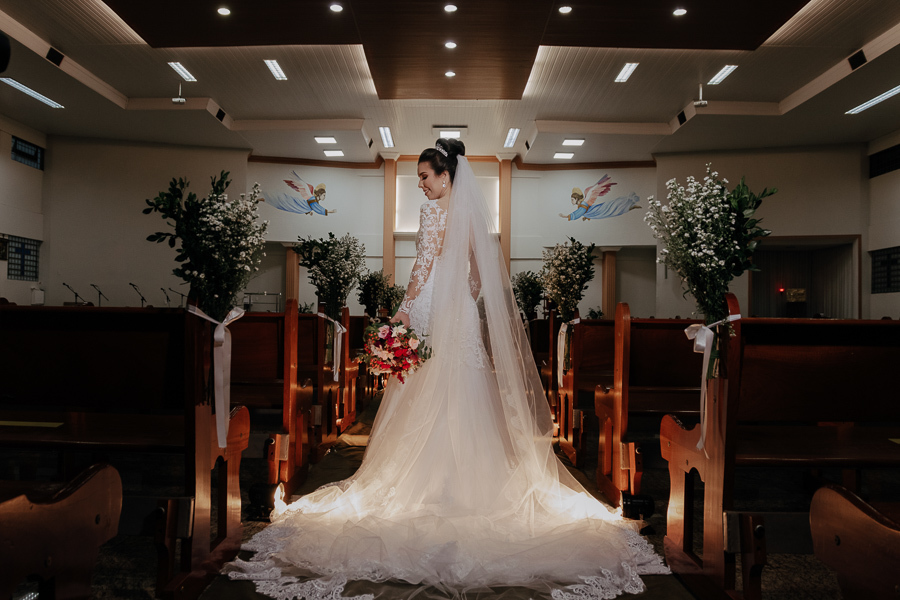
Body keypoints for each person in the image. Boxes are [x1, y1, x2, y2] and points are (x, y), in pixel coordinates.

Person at [227, 139, 668, 599]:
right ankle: (472, 488)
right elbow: (478, 277)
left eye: (423, 177)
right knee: (465, 388)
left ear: (444, 175)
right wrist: (456, 294)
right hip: (456, 307)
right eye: (418, 178)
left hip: (433, 306)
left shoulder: (434, 213)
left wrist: (404, 308)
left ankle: (427, 488)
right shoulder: (470, 216)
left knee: (425, 388)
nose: (420, 185)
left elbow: (420, 266)